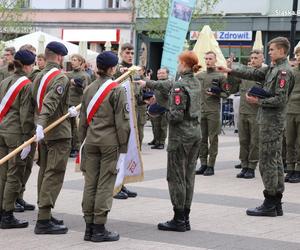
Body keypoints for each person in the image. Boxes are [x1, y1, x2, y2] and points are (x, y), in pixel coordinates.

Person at [218, 37, 295, 217]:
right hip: (268, 120)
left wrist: (257, 101)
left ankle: (270, 202)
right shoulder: (273, 69)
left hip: (272, 122)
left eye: (273, 50)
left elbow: (280, 99)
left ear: (282, 51)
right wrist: (230, 69)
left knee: (268, 162)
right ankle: (275, 202)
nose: (269, 52)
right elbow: (253, 74)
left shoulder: (283, 72)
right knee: (274, 161)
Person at [78, 51, 130, 242]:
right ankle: (99, 228)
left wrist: (81, 143)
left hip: (90, 141)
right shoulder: (116, 89)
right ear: (111, 68)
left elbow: (82, 121)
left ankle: (88, 227)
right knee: (105, 185)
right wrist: (124, 149)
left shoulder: (89, 88)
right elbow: (122, 124)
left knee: (90, 183)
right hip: (109, 144)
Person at [32, 41, 77, 234]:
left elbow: (41, 103)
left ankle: (44, 212)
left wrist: (67, 110)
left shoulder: (38, 76)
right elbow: (50, 103)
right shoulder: (60, 78)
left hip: (44, 132)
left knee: (44, 171)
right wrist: (42, 123)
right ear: (59, 57)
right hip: (57, 132)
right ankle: (43, 219)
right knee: (54, 173)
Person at [0, 49, 36, 228]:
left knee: (2, 175)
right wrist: (27, 139)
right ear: (29, 66)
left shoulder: (5, 81)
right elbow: (26, 115)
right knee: (14, 175)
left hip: (2, 130)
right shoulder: (27, 84)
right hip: (16, 134)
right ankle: (7, 214)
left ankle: (1, 211)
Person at [229, 50, 265, 179]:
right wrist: (229, 71)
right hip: (243, 112)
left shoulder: (265, 74)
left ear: (262, 59)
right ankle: (244, 165)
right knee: (243, 141)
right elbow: (232, 87)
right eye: (252, 57)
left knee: (254, 142)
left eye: (256, 57)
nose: (254, 60)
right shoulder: (244, 74)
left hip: (256, 113)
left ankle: (251, 167)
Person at [195, 51, 230, 176]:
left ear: (215, 60)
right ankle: (203, 164)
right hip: (201, 111)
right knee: (201, 139)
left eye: (210, 58)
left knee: (213, 138)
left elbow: (226, 94)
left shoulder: (221, 76)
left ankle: (211, 165)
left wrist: (216, 93)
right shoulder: (199, 75)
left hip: (213, 111)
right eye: (206, 58)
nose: (208, 61)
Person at [113, 43, 138, 200]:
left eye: (132, 53)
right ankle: (115, 186)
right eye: (127, 52)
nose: (130, 55)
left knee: (127, 151)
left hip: (132, 116)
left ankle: (121, 183)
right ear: (121, 53)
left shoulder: (133, 71)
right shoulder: (117, 70)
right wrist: (119, 72)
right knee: (118, 152)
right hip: (119, 117)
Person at [66, 54, 90, 158]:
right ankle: (69, 146)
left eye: (75, 60)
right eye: (72, 60)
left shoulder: (84, 75)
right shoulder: (68, 74)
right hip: (68, 103)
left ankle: (76, 147)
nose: (72, 62)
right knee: (69, 126)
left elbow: (86, 91)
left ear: (80, 62)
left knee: (77, 126)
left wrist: (76, 84)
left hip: (79, 103)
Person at [285, 47, 300, 183]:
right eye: (297, 54)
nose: (299, 57)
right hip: (289, 111)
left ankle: (298, 170)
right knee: (289, 141)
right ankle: (290, 168)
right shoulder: (292, 72)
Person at [148, 67, 169, 149]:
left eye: (163, 73)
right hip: (155, 108)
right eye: (159, 73)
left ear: (167, 74)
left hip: (164, 108)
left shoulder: (168, 83)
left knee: (163, 126)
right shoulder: (156, 83)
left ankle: (161, 142)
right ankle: (156, 140)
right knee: (155, 126)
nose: (160, 75)